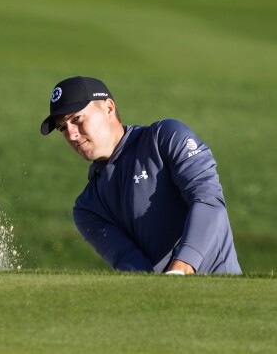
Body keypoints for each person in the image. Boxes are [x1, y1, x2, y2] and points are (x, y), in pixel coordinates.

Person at [40, 76, 242, 274]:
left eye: (77, 119)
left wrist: (181, 269)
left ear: (108, 108)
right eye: (62, 128)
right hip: (165, 301)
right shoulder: (88, 207)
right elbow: (129, 262)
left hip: (223, 291)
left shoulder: (164, 138)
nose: (72, 134)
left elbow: (208, 201)